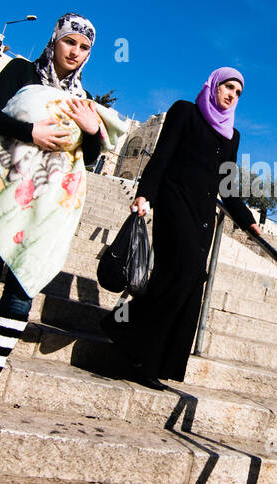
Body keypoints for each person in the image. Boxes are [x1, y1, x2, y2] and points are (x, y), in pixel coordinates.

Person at [0, 13, 122, 421]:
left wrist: (93, 129)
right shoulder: (22, 70)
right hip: (8, 189)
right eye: (70, 43)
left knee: (23, 286)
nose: (75, 53)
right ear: (56, 41)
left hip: (50, 203)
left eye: (84, 48)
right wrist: (32, 133)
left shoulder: (85, 97)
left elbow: (91, 157)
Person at [100, 68, 262, 386]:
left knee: (185, 281)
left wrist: (247, 221)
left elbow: (227, 187)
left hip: (202, 218)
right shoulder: (185, 112)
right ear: (213, 85)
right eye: (227, 87)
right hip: (174, 205)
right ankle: (134, 346)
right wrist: (145, 194)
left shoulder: (233, 136)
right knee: (184, 272)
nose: (231, 95)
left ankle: (145, 353)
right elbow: (161, 158)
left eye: (238, 93)